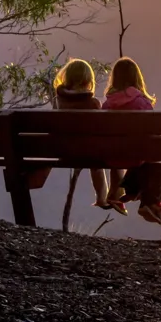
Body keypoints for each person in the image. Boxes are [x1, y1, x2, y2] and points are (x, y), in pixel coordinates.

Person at [101, 57, 161, 226]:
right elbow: (153, 132)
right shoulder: (141, 103)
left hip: (113, 157)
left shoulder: (107, 104)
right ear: (137, 78)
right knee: (157, 154)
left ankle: (130, 190)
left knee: (144, 153)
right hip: (137, 157)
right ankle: (151, 202)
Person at [47, 58, 112, 212]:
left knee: (93, 154)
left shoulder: (58, 101)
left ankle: (103, 197)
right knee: (97, 162)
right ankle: (102, 198)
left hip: (64, 152)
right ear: (88, 80)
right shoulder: (93, 103)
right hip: (89, 153)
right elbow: (101, 130)